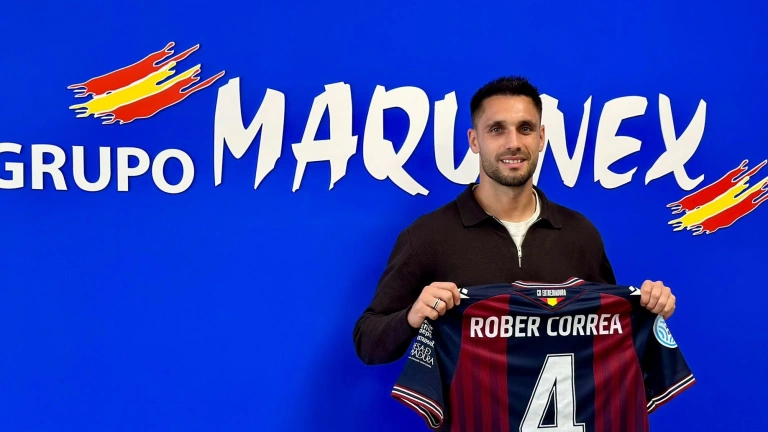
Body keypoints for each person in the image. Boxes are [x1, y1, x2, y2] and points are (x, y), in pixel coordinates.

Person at [352, 75, 676, 366]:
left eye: (525, 128)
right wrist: (412, 316)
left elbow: (611, 337)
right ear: (474, 140)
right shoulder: (426, 236)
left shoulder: (580, 234)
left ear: (541, 137)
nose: (513, 143)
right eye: (497, 129)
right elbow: (368, 342)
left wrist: (649, 310)